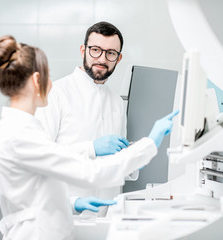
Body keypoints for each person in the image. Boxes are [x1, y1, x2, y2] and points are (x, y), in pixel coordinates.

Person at [0, 35, 178, 240]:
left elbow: (42, 183)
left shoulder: (19, 128)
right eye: (48, 76)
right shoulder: (20, 135)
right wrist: (150, 143)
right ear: (36, 80)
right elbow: (90, 171)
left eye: (111, 53)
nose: (51, 84)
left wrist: (73, 203)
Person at [35, 22, 135, 216]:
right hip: (62, 216)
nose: (102, 58)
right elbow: (40, 157)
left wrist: (132, 160)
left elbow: (115, 167)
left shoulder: (116, 102)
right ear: (83, 50)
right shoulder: (56, 93)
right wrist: (90, 148)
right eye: (95, 50)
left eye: (111, 53)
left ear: (119, 58)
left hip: (105, 221)